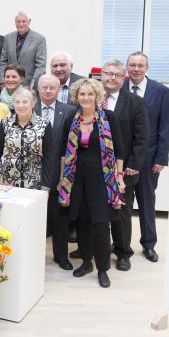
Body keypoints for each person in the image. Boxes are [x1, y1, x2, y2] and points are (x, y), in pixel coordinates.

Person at [58, 78, 125, 288]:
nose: (86, 98)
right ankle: (87, 262)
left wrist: (120, 178)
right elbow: (63, 152)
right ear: (76, 97)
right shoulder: (72, 117)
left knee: (101, 225)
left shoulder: (109, 118)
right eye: (82, 94)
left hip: (102, 179)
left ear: (97, 96)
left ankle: (103, 269)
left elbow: (120, 150)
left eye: (90, 94)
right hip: (76, 178)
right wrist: (63, 181)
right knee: (82, 223)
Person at [101, 60, 150, 271]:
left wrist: (133, 165)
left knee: (120, 213)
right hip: (95, 168)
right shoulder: (92, 98)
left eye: (117, 75)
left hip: (122, 170)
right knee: (96, 210)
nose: (112, 78)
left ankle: (123, 252)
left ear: (124, 78)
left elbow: (142, 137)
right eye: (108, 73)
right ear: (101, 75)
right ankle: (98, 247)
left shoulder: (134, 103)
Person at [124, 52, 169, 262]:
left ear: (147, 68)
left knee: (146, 203)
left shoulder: (160, 91)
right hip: (123, 160)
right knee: (122, 206)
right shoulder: (118, 88)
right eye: (132, 65)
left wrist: (161, 158)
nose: (135, 69)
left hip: (149, 159)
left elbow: (165, 127)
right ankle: (121, 243)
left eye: (140, 65)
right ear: (127, 67)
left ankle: (149, 244)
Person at [35, 73, 76, 270]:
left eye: (53, 87)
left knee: (60, 217)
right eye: (45, 87)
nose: (49, 90)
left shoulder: (69, 111)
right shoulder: (28, 107)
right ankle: (32, 256)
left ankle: (61, 256)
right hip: (33, 172)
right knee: (34, 216)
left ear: (59, 89)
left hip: (60, 172)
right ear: (38, 88)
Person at [0, 87, 56, 190]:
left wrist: (46, 184)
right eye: (17, 102)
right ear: (13, 103)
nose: (21, 105)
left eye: (25, 102)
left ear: (32, 104)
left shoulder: (44, 124)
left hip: (35, 183)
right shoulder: (5, 123)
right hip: (7, 182)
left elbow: (49, 157)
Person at [0, 11, 46, 87]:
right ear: (15, 22)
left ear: (29, 21)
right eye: (18, 21)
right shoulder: (8, 37)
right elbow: (3, 62)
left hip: (29, 86)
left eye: (23, 21)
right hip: (9, 86)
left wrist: (34, 84)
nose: (21, 24)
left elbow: (40, 65)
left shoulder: (39, 39)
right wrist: (2, 81)